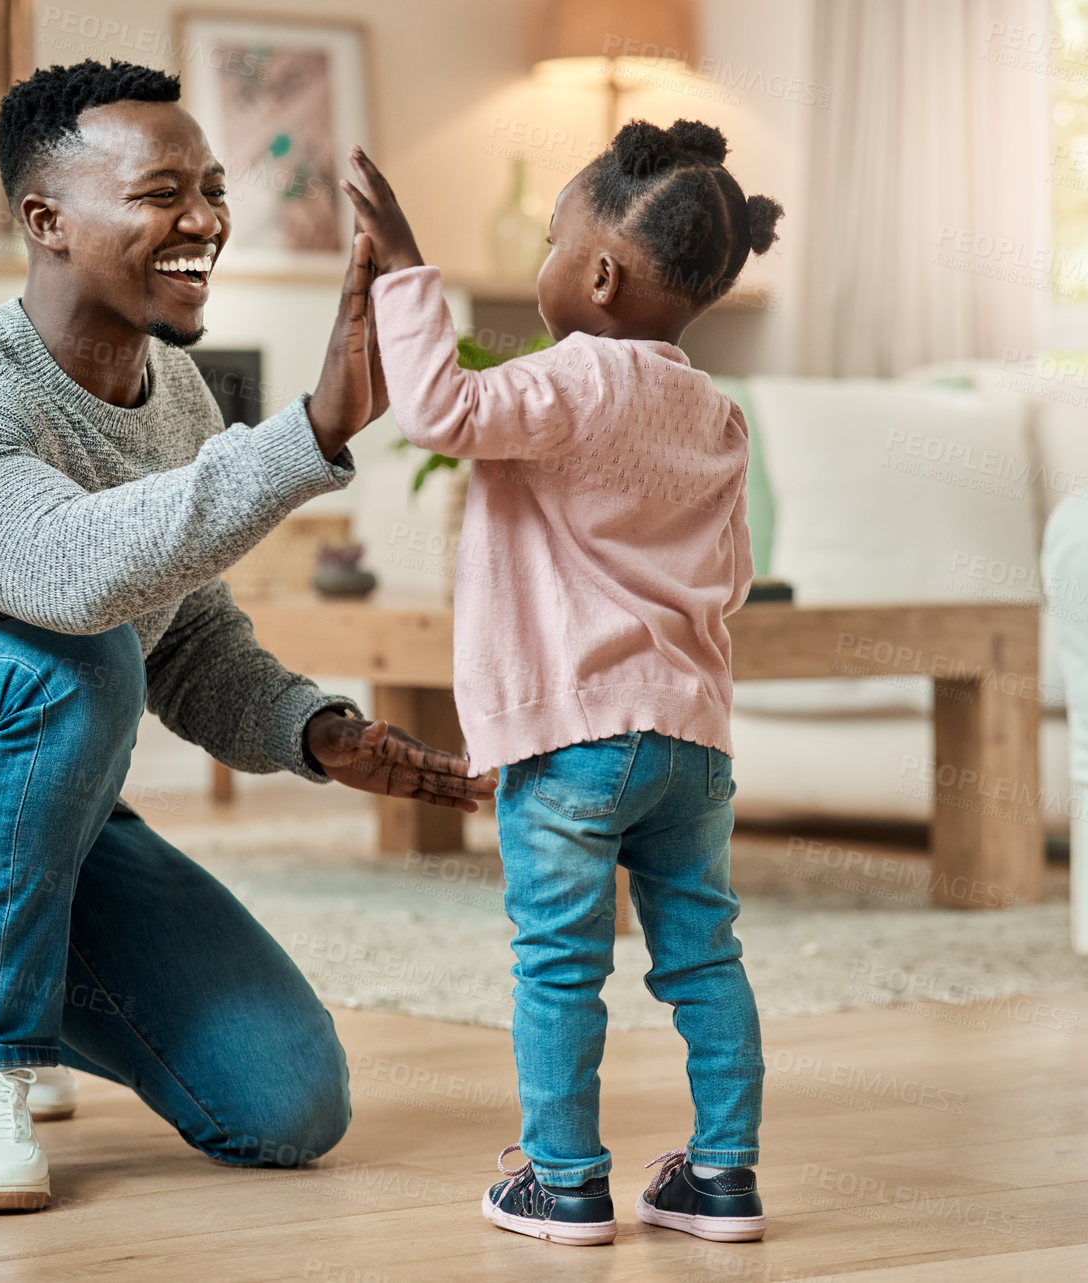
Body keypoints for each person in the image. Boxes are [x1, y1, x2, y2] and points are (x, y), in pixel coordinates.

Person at [0, 59, 492, 1214]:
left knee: (288, 1102)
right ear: (47, 221)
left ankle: (3, 975)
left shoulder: (178, 400)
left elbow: (181, 636)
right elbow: (75, 577)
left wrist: (313, 730)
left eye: (214, 189)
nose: (205, 221)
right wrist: (313, 429)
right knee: (70, 652)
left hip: (37, 812)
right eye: (161, 191)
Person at [341, 118, 783, 1246]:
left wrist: (406, 273)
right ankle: (722, 1175)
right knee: (703, 953)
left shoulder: (571, 377)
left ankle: (564, 1176)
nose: (543, 258)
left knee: (558, 961)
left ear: (596, 272)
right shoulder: (720, 413)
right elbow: (730, 578)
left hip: (574, 736)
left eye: (549, 236)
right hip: (690, 740)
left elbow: (440, 409)